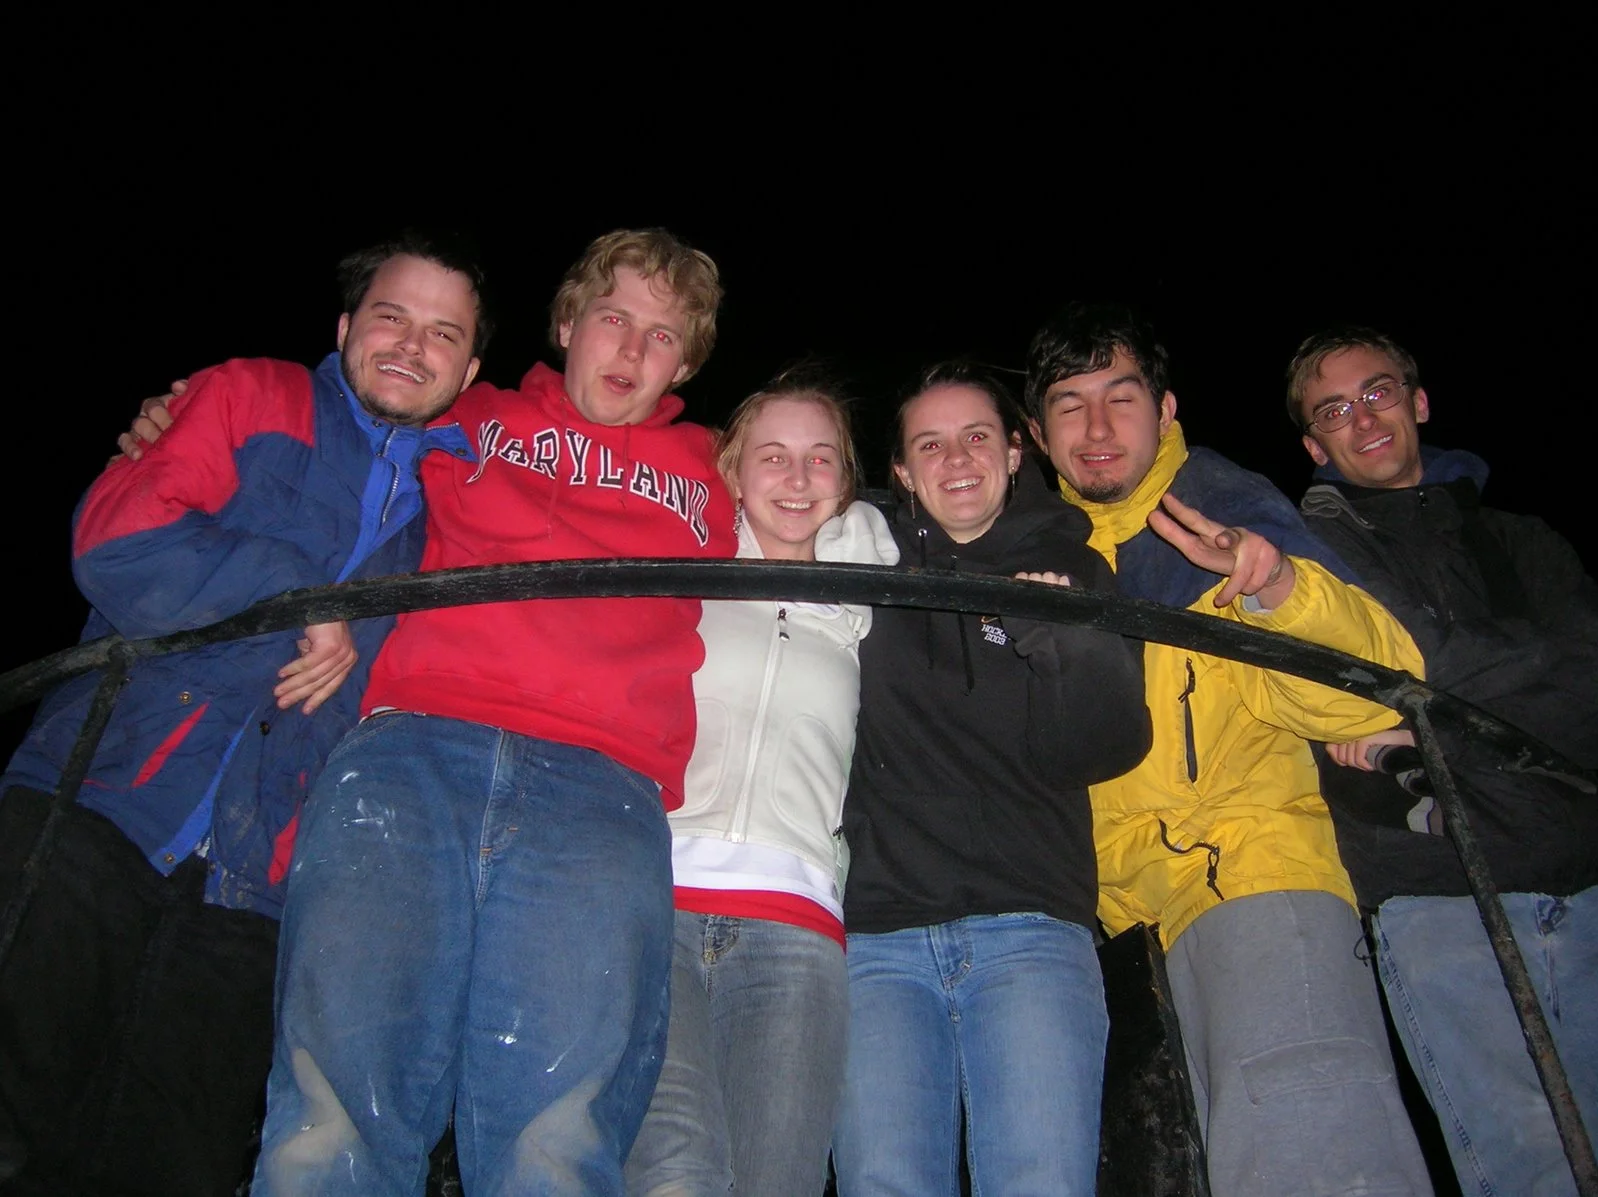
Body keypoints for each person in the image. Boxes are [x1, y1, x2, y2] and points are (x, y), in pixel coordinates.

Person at [250, 228, 737, 1196]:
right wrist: (175, 419)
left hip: (601, 791)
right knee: (333, 1112)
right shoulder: (466, 413)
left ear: (685, 361)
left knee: (554, 1143)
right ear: (566, 324)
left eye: (662, 335)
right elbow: (322, 421)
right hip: (410, 754)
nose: (632, 352)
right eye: (613, 320)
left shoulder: (718, 466)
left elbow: (837, 488)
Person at [0, 232, 487, 1196]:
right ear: (346, 324)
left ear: (470, 369)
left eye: (443, 332)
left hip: (260, 884)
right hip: (94, 802)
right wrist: (304, 599)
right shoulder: (254, 396)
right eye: (389, 315)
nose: (409, 345)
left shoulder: (459, 504)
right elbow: (119, 538)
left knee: (172, 1162)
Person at [1023, 302, 1434, 1197]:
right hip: (1120, 933)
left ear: (1166, 410)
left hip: (1253, 886)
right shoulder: (1041, 549)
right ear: (1037, 434)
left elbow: (1377, 687)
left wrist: (1279, 589)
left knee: (1317, 1166)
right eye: (1069, 403)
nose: (1097, 428)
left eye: (1122, 398)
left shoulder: (1223, 507)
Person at [1289, 326, 1598, 1195]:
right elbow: (1369, 663)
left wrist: (1424, 724)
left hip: (1582, 867)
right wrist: (1498, 681)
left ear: (1418, 402)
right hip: (1439, 886)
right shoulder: (1318, 558)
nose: (1365, 418)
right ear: (1315, 445)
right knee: (1522, 1160)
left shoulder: (1522, 540)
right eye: (1335, 410)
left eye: (1379, 392)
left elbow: (1585, 683)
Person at [830, 361, 1152, 1195]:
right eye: (928, 445)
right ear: (900, 471)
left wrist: (1058, 637)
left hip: (1032, 929)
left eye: (977, 436)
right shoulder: (860, 558)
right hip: (876, 938)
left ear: (1015, 453)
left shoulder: (1075, 569)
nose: (956, 458)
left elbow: (1106, 745)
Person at [624, 368, 898, 1197]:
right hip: (654, 913)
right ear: (732, 471)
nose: (797, 477)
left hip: (796, 928)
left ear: (846, 484)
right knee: (674, 1173)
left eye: (821, 459)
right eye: (772, 456)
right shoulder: (683, 577)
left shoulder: (863, 605)